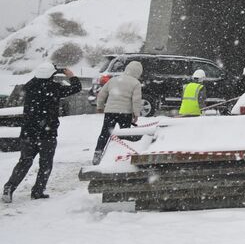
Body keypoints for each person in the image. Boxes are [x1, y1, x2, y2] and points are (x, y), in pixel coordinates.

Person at [5, 62, 80, 202]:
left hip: (28, 133)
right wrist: (71, 76)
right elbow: (76, 88)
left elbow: (37, 79)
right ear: (51, 75)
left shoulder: (29, 87)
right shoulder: (54, 88)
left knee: (24, 162)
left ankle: (9, 187)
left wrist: (47, 71)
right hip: (47, 133)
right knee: (45, 164)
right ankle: (38, 191)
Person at [93, 59, 145, 164]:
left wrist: (99, 106)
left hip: (110, 112)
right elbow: (136, 100)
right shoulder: (136, 83)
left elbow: (102, 94)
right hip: (125, 113)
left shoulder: (114, 80)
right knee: (124, 134)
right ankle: (120, 155)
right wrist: (136, 114)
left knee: (105, 133)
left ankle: (97, 154)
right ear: (138, 73)